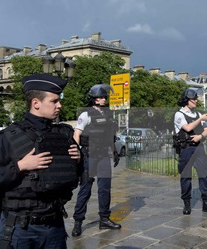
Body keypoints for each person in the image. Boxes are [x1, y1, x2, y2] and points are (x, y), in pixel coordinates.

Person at [0, 73, 81, 249]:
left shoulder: (64, 134)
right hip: (20, 228)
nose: (59, 105)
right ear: (36, 103)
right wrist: (21, 166)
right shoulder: (8, 137)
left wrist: (78, 160)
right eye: (54, 101)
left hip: (55, 225)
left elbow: (77, 176)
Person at [71, 84, 121, 237]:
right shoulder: (86, 114)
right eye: (100, 97)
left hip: (104, 155)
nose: (103, 99)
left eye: (104, 97)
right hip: (89, 155)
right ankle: (78, 222)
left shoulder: (108, 114)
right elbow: (76, 135)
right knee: (85, 188)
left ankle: (104, 219)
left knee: (105, 188)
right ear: (93, 99)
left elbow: (109, 136)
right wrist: (78, 153)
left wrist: (115, 151)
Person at [174, 88, 207, 215]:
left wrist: (201, 136)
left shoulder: (198, 114)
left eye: (195, 98)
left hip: (198, 147)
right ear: (186, 100)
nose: (195, 101)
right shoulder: (179, 114)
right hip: (186, 148)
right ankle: (186, 203)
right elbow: (187, 128)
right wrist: (200, 120)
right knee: (186, 177)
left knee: (204, 174)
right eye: (193, 99)